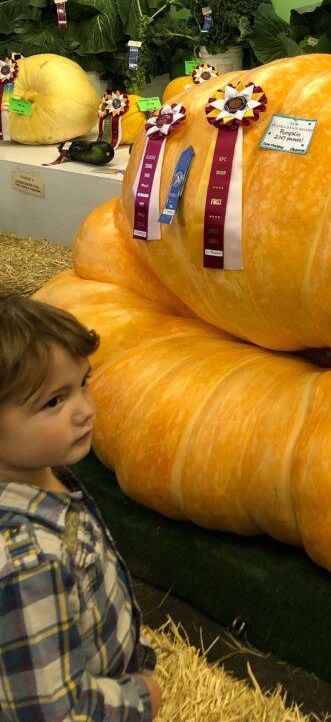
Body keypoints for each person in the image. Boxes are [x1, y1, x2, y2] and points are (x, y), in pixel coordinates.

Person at [0, 293, 162, 721]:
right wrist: (141, 699)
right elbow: (54, 712)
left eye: (83, 383)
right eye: (54, 402)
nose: (85, 410)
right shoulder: (27, 564)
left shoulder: (39, 475)